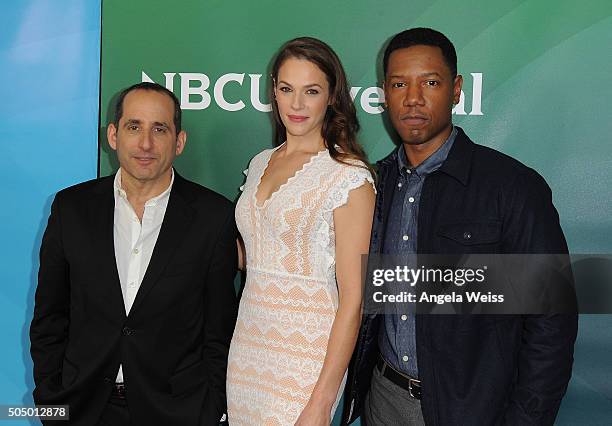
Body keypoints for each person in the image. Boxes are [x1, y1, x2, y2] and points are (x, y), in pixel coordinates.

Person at [342, 28, 578, 425]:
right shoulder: (372, 185)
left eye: (430, 82)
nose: (413, 98)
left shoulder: (512, 187)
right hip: (382, 401)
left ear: (455, 90)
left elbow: (552, 320)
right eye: (400, 84)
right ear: (384, 93)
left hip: (472, 409)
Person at [30, 82, 238, 425]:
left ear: (179, 141)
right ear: (113, 135)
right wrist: (52, 403)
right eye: (134, 127)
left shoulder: (213, 217)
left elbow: (219, 332)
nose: (145, 143)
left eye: (159, 129)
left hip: (177, 411)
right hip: (83, 408)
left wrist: (210, 408)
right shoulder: (71, 209)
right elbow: (49, 318)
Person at [226, 37, 376, 425]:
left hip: (308, 356)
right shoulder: (260, 162)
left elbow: (353, 299)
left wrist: (322, 402)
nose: (296, 104)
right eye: (286, 89)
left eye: (311, 91)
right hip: (249, 344)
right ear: (273, 89)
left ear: (331, 97)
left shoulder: (348, 177)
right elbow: (253, 253)